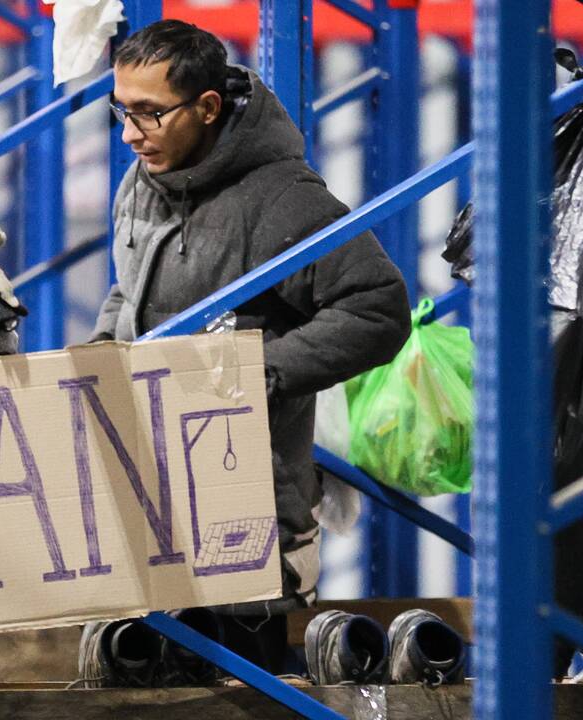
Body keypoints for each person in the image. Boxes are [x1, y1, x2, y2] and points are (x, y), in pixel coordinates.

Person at [79, 20, 411, 684]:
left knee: (237, 695)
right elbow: (130, 289)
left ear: (206, 107)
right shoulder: (142, 184)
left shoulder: (281, 201)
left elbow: (377, 308)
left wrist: (259, 373)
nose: (129, 132)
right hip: (148, 496)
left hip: (244, 516)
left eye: (150, 113)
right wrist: (95, 358)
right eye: (122, 110)